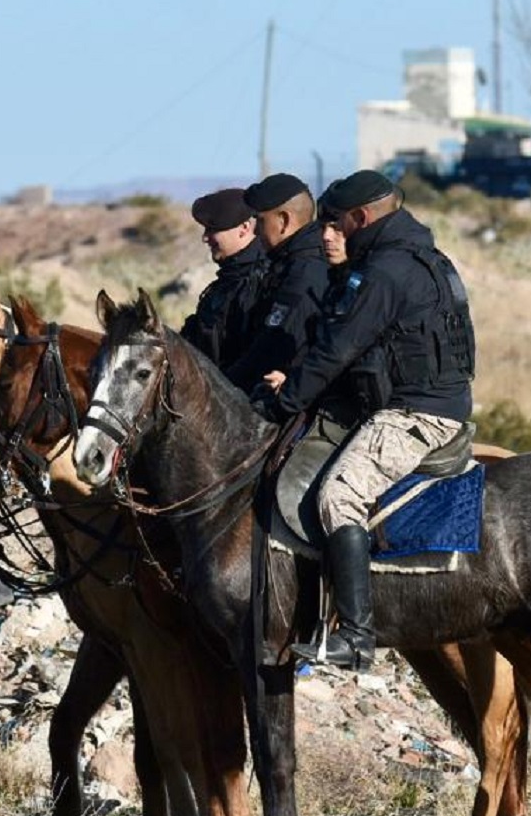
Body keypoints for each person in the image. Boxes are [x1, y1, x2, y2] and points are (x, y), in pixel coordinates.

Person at [254, 170, 476, 670]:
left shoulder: (385, 271)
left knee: (339, 495)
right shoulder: (407, 257)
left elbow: (338, 348)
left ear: (362, 218)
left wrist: (284, 399)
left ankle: (355, 636)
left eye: (334, 224)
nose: (326, 234)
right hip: (406, 401)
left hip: (418, 413)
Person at [224, 172, 331, 394]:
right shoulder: (287, 263)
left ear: (283, 220)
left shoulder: (305, 272)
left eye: (261, 220)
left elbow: (274, 347)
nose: (255, 230)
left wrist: (222, 386)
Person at [178, 186, 268, 377]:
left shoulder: (264, 280)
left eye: (213, 229)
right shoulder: (226, 282)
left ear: (244, 228)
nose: (205, 238)